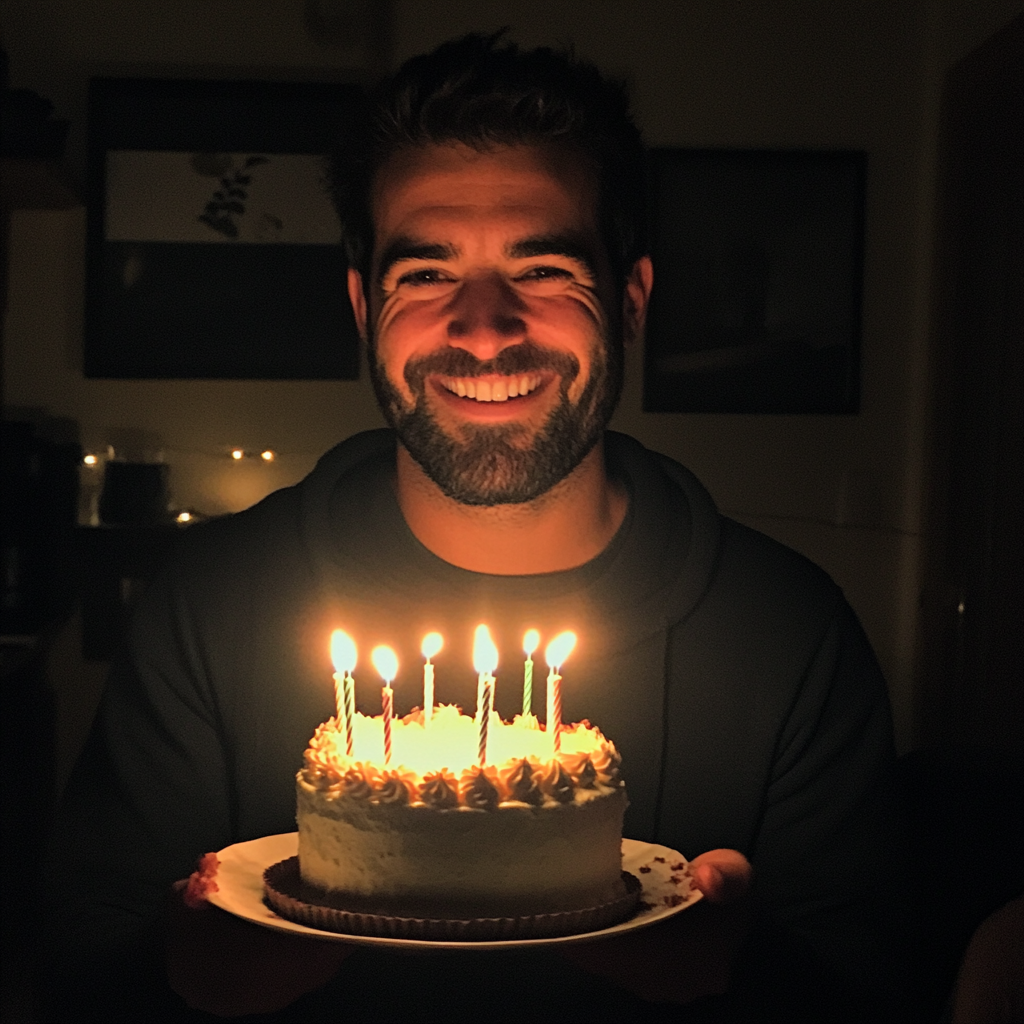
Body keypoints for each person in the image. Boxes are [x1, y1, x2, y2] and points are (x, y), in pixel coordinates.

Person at [46, 33, 909, 1022]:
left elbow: (874, 986)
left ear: (627, 302)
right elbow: (78, 963)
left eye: (541, 269)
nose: (485, 328)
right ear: (363, 303)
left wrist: (739, 965)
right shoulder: (209, 603)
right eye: (425, 275)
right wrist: (180, 971)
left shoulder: (791, 633)